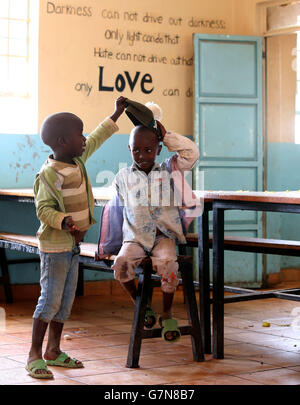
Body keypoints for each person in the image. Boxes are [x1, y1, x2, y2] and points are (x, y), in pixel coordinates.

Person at [25, 96, 127, 379]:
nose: (84, 139)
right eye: (78, 135)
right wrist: (64, 220)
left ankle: (53, 350)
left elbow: (97, 137)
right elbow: (43, 209)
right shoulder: (48, 174)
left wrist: (116, 114)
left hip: (73, 245)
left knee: (65, 301)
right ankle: (34, 354)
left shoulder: (78, 159)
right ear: (62, 141)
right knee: (49, 300)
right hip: (55, 246)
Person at [111, 100, 200, 343]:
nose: (141, 155)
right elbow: (121, 208)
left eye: (148, 150)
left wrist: (164, 133)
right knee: (120, 265)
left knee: (169, 265)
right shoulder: (122, 177)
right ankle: (142, 303)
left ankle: (167, 313)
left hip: (163, 237)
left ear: (159, 149)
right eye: (135, 150)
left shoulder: (171, 170)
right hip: (136, 238)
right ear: (129, 149)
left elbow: (192, 153)